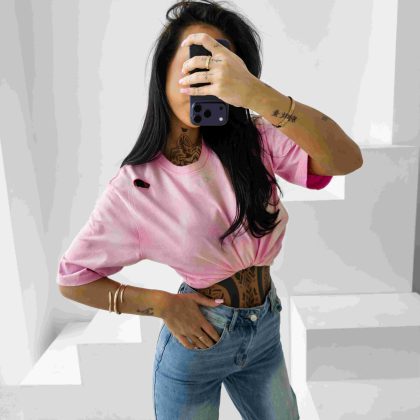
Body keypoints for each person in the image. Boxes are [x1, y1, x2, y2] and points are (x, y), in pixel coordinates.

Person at [56, 1, 346, 419]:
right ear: (163, 71)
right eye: (196, 61)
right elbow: (73, 279)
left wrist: (258, 95)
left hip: (264, 330)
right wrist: (162, 304)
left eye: (220, 66)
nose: (206, 78)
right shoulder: (136, 186)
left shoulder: (256, 141)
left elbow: (344, 159)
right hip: (198, 343)